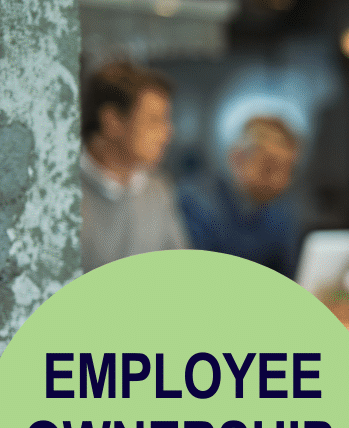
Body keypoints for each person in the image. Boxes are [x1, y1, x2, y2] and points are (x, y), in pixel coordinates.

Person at [80, 60, 189, 272]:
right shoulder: (55, 194)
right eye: (155, 121)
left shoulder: (157, 188)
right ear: (112, 121)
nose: (168, 133)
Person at [179, 115, 302, 278]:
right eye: (269, 168)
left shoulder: (281, 214)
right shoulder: (195, 203)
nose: (279, 181)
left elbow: (288, 279)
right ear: (237, 158)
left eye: (288, 170)